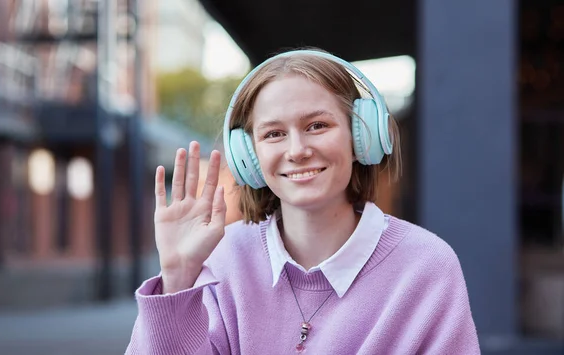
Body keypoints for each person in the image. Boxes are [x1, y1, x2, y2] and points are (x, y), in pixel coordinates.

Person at [125, 48, 480, 354]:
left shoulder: (426, 265)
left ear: (362, 136)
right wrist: (177, 278)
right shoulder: (223, 260)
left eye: (317, 126)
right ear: (249, 155)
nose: (297, 151)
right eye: (274, 134)